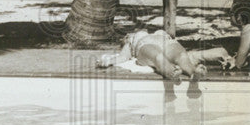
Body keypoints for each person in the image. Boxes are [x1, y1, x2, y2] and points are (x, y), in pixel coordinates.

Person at [97, 29, 233, 84]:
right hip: (165, 41)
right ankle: (192, 71)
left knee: (162, 58)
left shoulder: (132, 38)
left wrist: (108, 60)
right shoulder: (130, 40)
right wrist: (108, 61)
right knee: (181, 56)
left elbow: (121, 58)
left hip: (152, 43)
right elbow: (122, 57)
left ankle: (174, 72)